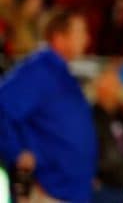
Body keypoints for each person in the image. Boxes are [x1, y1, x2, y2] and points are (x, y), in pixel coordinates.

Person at [0, 11, 96, 202]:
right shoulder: (37, 71)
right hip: (48, 190)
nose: (86, 38)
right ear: (59, 38)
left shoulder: (62, 73)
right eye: (80, 32)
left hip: (70, 190)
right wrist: (16, 151)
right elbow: (2, 107)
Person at [93, 66, 123, 203]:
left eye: (116, 84)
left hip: (121, 186)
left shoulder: (120, 117)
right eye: (111, 84)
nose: (115, 88)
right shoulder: (91, 117)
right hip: (101, 189)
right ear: (100, 88)